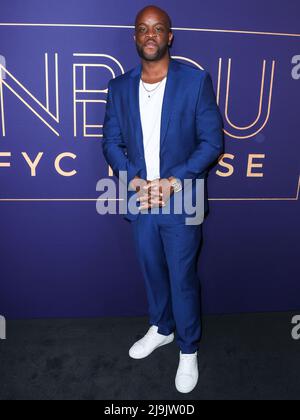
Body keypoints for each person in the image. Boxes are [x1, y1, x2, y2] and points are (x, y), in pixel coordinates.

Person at [102, 5, 224, 394]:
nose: (150, 35)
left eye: (158, 29)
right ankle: (162, 328)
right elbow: (110, 143)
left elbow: (212, 143)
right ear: (135, 37)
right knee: (152, 272)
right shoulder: (119, 87)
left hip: (181, 197)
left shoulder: (195, 81)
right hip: (140, 198)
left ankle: (188, 349)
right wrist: (135, 181)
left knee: (182, 278)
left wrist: (174, 181)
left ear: (170, 36)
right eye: (142, 29)